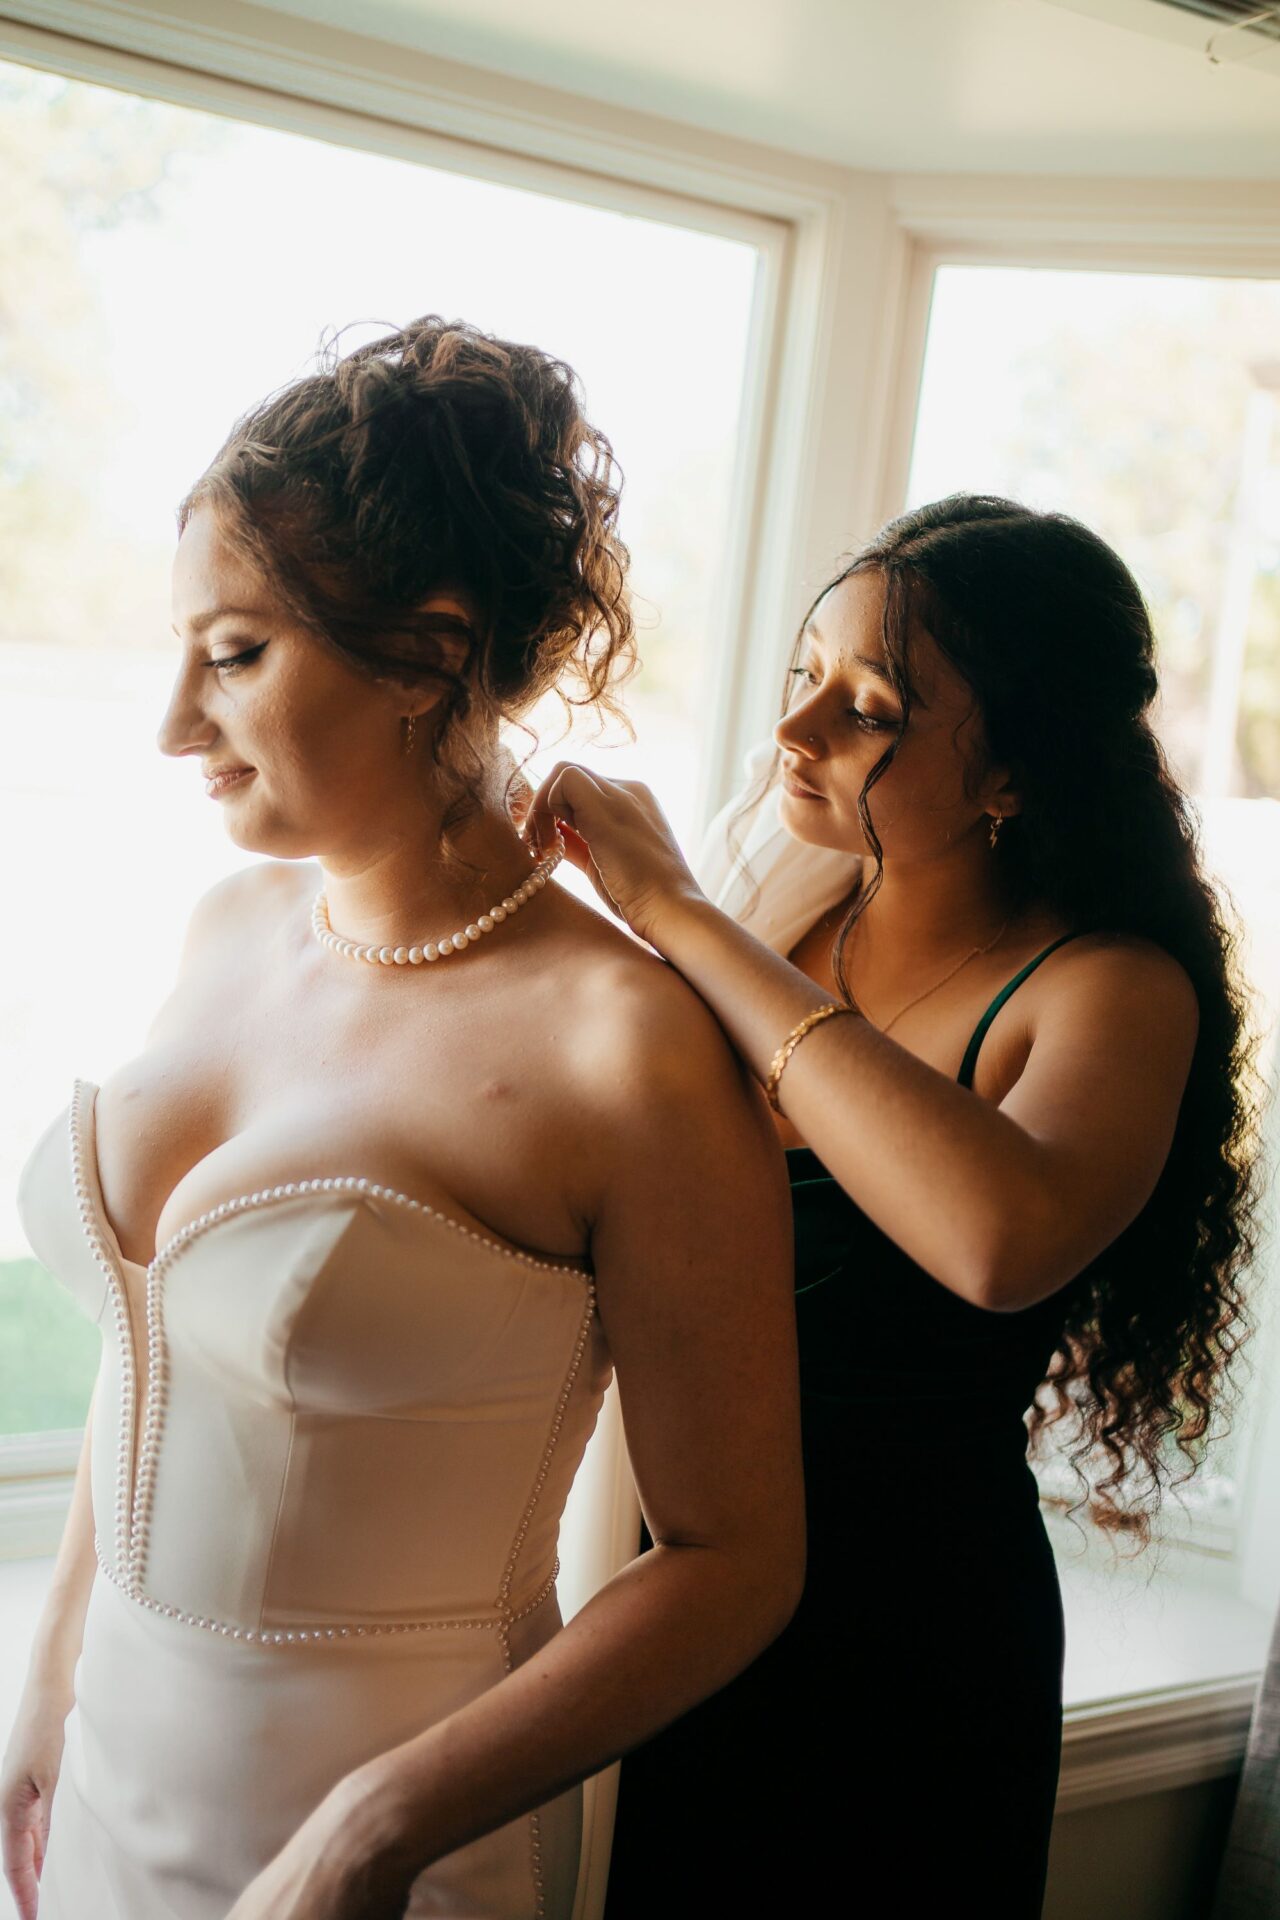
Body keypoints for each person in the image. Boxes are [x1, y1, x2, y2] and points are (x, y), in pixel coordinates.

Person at [0, 317, 804, 1920]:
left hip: (393, 1851)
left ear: (430, 657)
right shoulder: (227, 927)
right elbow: (153, 1358)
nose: (174, 721)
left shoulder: (626, 1048)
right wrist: (47, 1688)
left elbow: (734, 1564)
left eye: (233, 655)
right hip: (102, 1785)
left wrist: (373, 1829)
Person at [520, 495, 1263, 1920]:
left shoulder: (1100, 991)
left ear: (1012, 775)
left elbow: (999, 1240)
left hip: (901, 1642)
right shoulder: (781, 905)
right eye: (807, 678)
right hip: (669, 1600)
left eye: (872, 710)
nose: (798, 734)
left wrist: (678, 916)